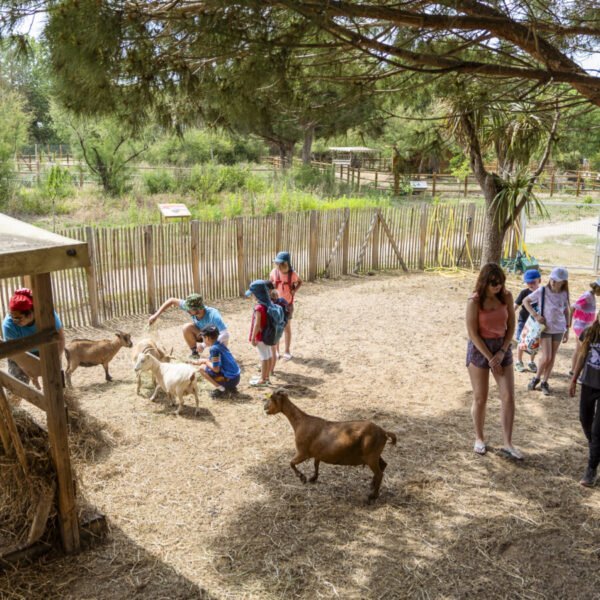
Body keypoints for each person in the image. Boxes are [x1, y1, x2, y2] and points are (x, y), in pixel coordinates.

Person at [466, 263, 521, 459]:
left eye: (500, 282)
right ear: (484, 282)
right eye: (493, 283)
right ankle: (479, 438)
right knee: (481, 398)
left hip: (502, 348)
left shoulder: (506, 296)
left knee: (508, 397)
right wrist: (490, 358)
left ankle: (508, 443)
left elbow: (512, 325)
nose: (498, 286)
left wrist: (502, 351)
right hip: (480, 349)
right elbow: (472, 334)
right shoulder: (474, 301)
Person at [2, 288, 65, 383]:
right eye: (12, 316)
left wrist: (56, 359)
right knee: (18, 387)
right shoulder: (8, 325)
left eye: (18, 318)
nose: (15, 321)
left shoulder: (48, 315)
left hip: (45, 348)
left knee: (57, 383)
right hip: (20, 352)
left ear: (31, 314)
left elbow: (60, 338)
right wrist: (29, 371)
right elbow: (16, 354)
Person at [523, 267, 570, 396]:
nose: (553, 282)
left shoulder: (564, 293)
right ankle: (537, 377)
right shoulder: (542, 290)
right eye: (552, 279)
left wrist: (567, 329)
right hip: (545, 328)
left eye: (557, 280)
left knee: (552, 356)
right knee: (547, 356)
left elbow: (566, 311)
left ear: (564, 282)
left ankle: (545, 381)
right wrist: (535, 315)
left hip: (559, 328)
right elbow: (525, 301)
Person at [569, 313, 600, 487]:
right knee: (585, 419)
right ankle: (596, 447)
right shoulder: (590, 332)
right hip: (588, 383)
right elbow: (581, 356)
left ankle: (591, 469)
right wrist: (574, 379)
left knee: (597, 429)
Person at [148, 294, 229, 359]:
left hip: (216, 338)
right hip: (203, 335)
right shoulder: (192, 309)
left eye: (190, 309)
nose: (187, 310)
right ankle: (195, 353)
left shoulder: (213, 315)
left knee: (216, 359)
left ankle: (222, 354)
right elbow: (172, 300)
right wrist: (156, 315)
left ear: (198, 309)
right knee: (186, 327)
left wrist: (204, 345)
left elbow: (225, 335)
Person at [269, 251, 302, 361]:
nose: (278, 266)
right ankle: (276, 351)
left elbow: (300, 282)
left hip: (288, 305)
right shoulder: (274, 272)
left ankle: (287, 351)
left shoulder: (292, 274)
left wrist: (294, 291)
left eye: (280, 264)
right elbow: (270, 283)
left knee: (286, 328)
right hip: (276, 305)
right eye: (277, 264)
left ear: (286, 264)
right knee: (276, 328)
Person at [192, 325, 241, 399]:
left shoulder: (214, 349)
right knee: (205, 365)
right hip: (236, 378)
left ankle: (222, 389)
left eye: (203, 338)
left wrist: (205, 361)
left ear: (207, 338)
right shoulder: (220, 344)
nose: (203, 341)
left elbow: (216, 369)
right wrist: (203, 361)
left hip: (230, 380)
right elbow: (213, 361)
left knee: (201, 369)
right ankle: (230, 388)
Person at [246, 279, 275, 387]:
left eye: (252, 294)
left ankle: (262, 380)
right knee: (268, 355)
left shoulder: (258, 307)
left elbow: (257, 325)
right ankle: (266, 377)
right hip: (268, 335)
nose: (252, 296)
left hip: (260, 337)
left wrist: (253, 338)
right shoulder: (269, 304)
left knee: (263, 357)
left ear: (256, 294)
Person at [514, 269, 542, 373]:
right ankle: (519, 361)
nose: (530, 284)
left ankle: (531, 362)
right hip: (524, 321)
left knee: (534, 342)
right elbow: (516, 305)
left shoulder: (542, 293)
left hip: (536, 324)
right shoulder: (524, 293)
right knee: (522, 341)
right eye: (528, 282)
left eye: (533, 282)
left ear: (539, 280)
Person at [570, 278, 600, 375]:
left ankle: (573, 370)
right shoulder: (587, 296)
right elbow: (573, 307)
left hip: (585, 325)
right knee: (582, 350)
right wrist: (569, 322)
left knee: (579, 349)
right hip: (580, 326)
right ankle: (576, 372)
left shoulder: (591, 295)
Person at [266, 281, 289, 377]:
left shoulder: (269, 305)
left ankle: (269, 369)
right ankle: (271, 370)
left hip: (270, 330)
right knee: (274, 349)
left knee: (270, 351)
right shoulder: (282, 302)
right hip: (279, 328)